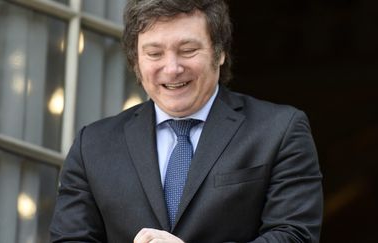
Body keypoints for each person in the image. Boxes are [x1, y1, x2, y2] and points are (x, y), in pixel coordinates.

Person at [49, 0, 323, 242]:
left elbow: (294, 235)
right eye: (154, 53)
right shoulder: (93, 146)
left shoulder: (280, 130)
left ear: (220, 52)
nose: (172, 68)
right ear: (136, 62)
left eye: (188, 50)